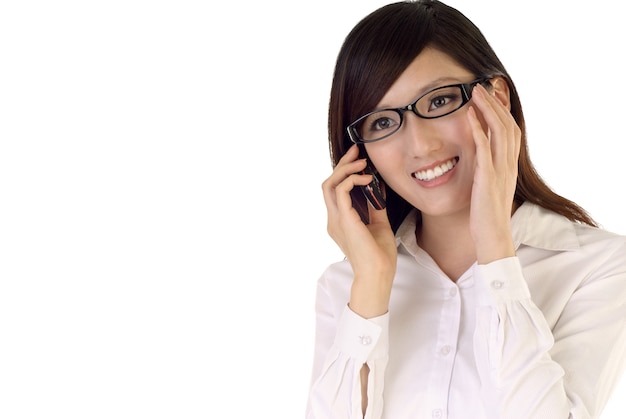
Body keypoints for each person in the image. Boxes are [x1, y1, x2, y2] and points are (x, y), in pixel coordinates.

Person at [305, 1, 626, 418]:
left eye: (439, 102)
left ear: (497, 98)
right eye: (382, 122)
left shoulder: (596, 267)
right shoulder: (346, 287)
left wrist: (495, 247)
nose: (421, 146)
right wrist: (372, 285)